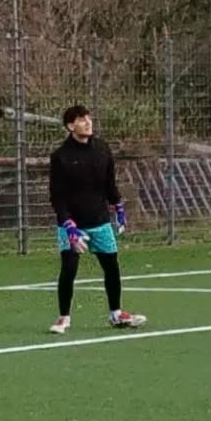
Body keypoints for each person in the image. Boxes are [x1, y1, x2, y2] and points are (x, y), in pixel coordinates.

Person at [47, 104, 146, 335]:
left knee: (111, 266)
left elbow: (110, 184)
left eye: (89, 118)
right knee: (69, 268)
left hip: (100, 220)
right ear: (70, 126)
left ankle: (116, 314)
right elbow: (57, 196)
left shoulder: (102, 149)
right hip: (72, 225)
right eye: (82, 119)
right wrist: (68, 225)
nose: (88, 123)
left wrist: (118, 207)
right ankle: (63, 318)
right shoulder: (60, 156)